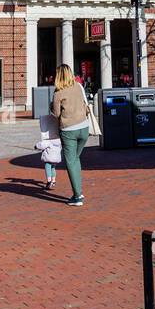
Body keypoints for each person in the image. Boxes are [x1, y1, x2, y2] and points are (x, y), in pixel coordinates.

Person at [50, 65, 89, 207]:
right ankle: (79, 190)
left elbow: (56, 114)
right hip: (84, 128)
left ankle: (77, 196)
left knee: (71, 162)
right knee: (76, 159)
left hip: (69, 130)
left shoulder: (58, 92)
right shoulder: (78, 86)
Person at [34, 103, 62, 190]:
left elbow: (41, 145)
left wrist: (36, 146)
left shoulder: (48, 140)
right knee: (53, 167)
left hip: (49, 157)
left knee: (47, 166)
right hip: (56, 157)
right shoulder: (59, 139)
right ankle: (54, 180)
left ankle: (49, 180)